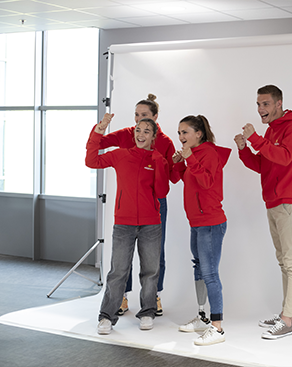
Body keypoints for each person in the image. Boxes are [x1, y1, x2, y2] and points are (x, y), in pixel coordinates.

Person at [234, 85, 292, 340]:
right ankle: (287, 314)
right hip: (273, 201)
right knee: (283, 262)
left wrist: (256, 139)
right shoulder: (271, 130)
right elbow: (263, 165)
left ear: (278, 104)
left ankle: (288, 320)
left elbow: (285, 157)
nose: (260, 109)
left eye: (265, 104)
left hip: (289, 201)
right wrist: (245, 148)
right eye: (258, 104)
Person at [86, 113, 169, 335]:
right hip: (123, 223)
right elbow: (91, 161)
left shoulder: (157, 158)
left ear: (153, 137)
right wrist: (99, 131)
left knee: (151, 271)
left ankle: (148, 312)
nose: (141, 134)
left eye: (146, 131)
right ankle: (106, 317)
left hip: (151, 223)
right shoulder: (120, 155)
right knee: (118, 271)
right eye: (138, 130)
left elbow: (161, 191)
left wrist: (160, 163)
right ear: (134, 133)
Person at [98, 94, 178, 317]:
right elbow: (101, 145)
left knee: (155, 253)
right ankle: (122, 296)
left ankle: (153, 296)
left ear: (155, 117)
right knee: (124, 255)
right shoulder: (127, 134)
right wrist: (101, 128)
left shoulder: (165, 142)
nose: (138, 121)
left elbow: (172, 177)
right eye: (136, 115)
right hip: (130, 204)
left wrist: (178, 163)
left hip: (155, 202)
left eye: (144, 116)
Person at [172, 115, 231, 346]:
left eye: (185, 132)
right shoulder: (192, 156)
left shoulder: (209, 154)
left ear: (199, 133)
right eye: (179, 133)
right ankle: (202, 317)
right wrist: (179, 161)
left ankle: (217, 327)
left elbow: (206, 182)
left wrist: (190, 160)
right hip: (196, 223)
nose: (181, 137)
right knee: (199, 268)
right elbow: (175, 179)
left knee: (210, 274)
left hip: (211, 222)